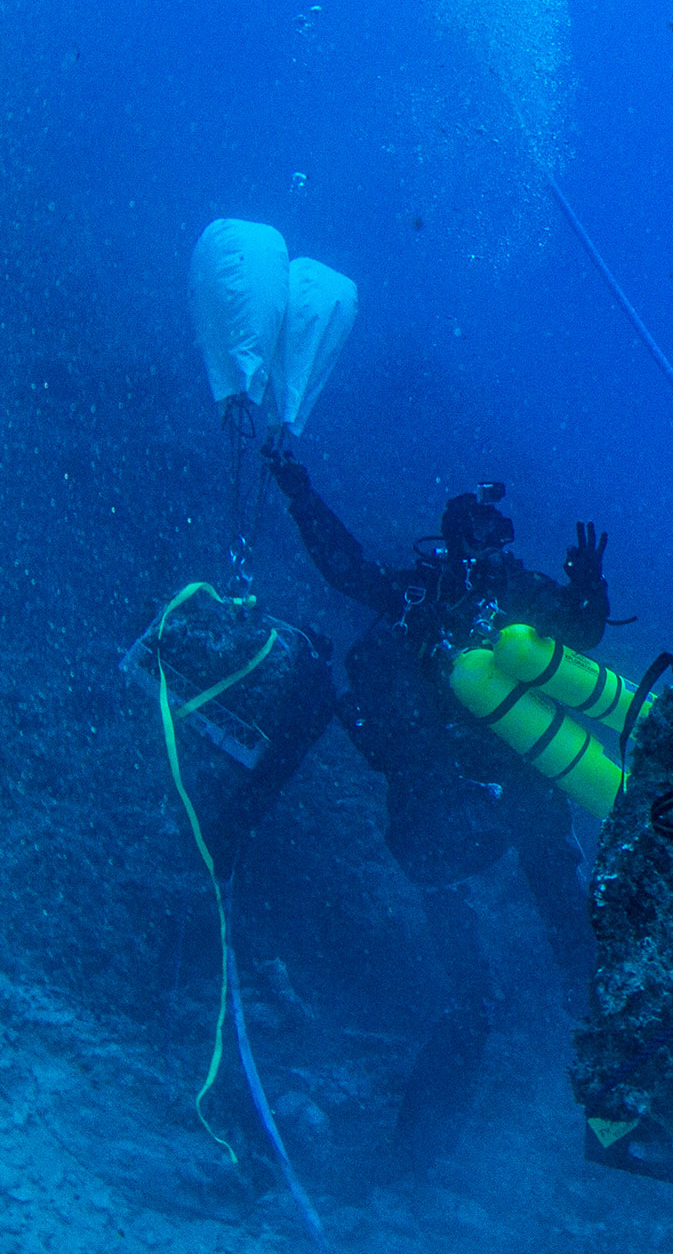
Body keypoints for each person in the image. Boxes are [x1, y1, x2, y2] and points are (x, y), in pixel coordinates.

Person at [259, 448, 613, 1167]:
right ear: (452, 535)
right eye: (475, 529)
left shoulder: (521, 593)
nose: (488, 544)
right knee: (471, 996)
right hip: (439, 804)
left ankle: (614, 1069)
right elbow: (347, 568)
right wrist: (301, 492)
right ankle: (419, 1153)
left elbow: (577, 637)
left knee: (574, 933)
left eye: (497, 530)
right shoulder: (419, 596)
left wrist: (590, 593)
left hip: (520, 788)